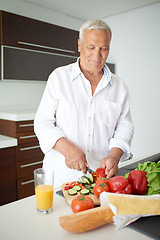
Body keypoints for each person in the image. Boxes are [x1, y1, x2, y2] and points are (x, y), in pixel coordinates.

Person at [34, 19, 134, 188]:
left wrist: (114, 156)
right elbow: (42, 122)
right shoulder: (59, 77)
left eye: (104, 49)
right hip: (60, 177)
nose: (97, 56)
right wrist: (68, 149)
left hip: (99, 179)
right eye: (91, 47)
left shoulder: (119, 87)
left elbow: (125, 126)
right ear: (79, 45)